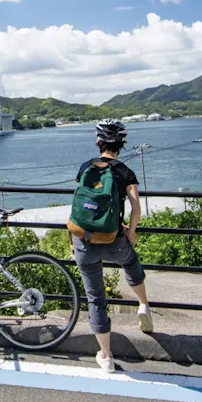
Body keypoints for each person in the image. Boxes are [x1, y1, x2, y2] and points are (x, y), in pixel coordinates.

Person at [71, 119, 152, 373]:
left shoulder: (86, 167)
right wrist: (131, 232)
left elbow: (83, 204)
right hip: (113, 239)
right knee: (130, 261)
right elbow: (136, 209)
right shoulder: (125, 172)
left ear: (99, 142)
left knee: (95, 297)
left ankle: (106, 356)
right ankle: (143, 304)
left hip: (84, 240)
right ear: (121, 145)